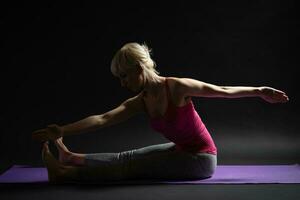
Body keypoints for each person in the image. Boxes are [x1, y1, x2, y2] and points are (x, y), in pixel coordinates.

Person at [32, 42, 289, 183]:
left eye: (124, 76)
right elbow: (104, 118)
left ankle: (64, 174)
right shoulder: (141, 100)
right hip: (181, 151)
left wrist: (259, 90)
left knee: (130, 169)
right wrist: (64, 131)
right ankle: (72, 158)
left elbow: (221, 90)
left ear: (139, 68)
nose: (122, 83)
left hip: (201, 160)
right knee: (126, 156)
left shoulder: (175, 87)